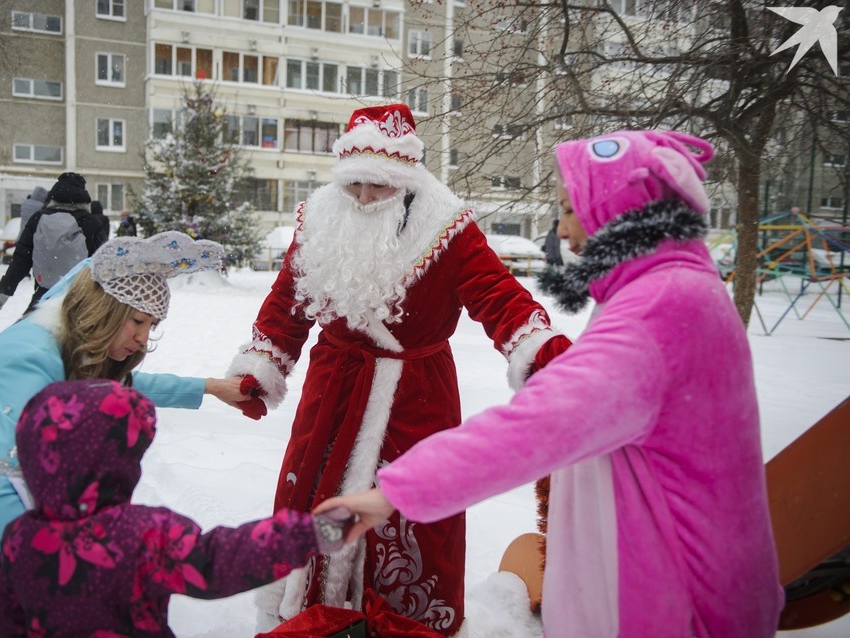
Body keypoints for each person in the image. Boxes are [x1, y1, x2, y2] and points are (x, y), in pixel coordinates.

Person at [316, 130, 785, 637]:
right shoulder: (672, 287)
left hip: (666, 597)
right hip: (680, 571)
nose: (561, 231)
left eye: (568, 208)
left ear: (616, 208)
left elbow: (538, 425)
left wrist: (396, 492)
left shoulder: (660, 310)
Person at [224, 103, 571, 636]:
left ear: (406, 181)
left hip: (414, 397)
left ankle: (401, 625)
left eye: (377, 187)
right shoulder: (319, 217)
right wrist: (260, 366)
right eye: (354, 186)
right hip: (333, 388)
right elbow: (287, 302)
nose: (363, 199)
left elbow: (498, 294)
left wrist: (542, 351)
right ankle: (314, 615)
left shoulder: (449, 228)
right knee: (314, 498)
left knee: (411, 518)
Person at [0, 231, 248, 637]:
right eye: (137, 321)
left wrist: (210, 387)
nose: (144, 338)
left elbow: (121, 386)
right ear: (105, 309)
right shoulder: (29, 357)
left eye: (152, 324)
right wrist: (57, 587)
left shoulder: (70, 342)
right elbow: (2, 486)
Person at [0, 378, 354, 636]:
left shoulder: (19, 537)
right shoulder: (139, 535)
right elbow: (220, 560)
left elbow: (1, 620)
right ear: (118, 463)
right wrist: (318, 530)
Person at [0, 172, 110, 315]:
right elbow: (104, 261)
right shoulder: (90, 222)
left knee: (34, 330)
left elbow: (21, 258)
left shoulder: (38, 218)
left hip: (45, 293)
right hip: (80, 295)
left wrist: (5, 291)